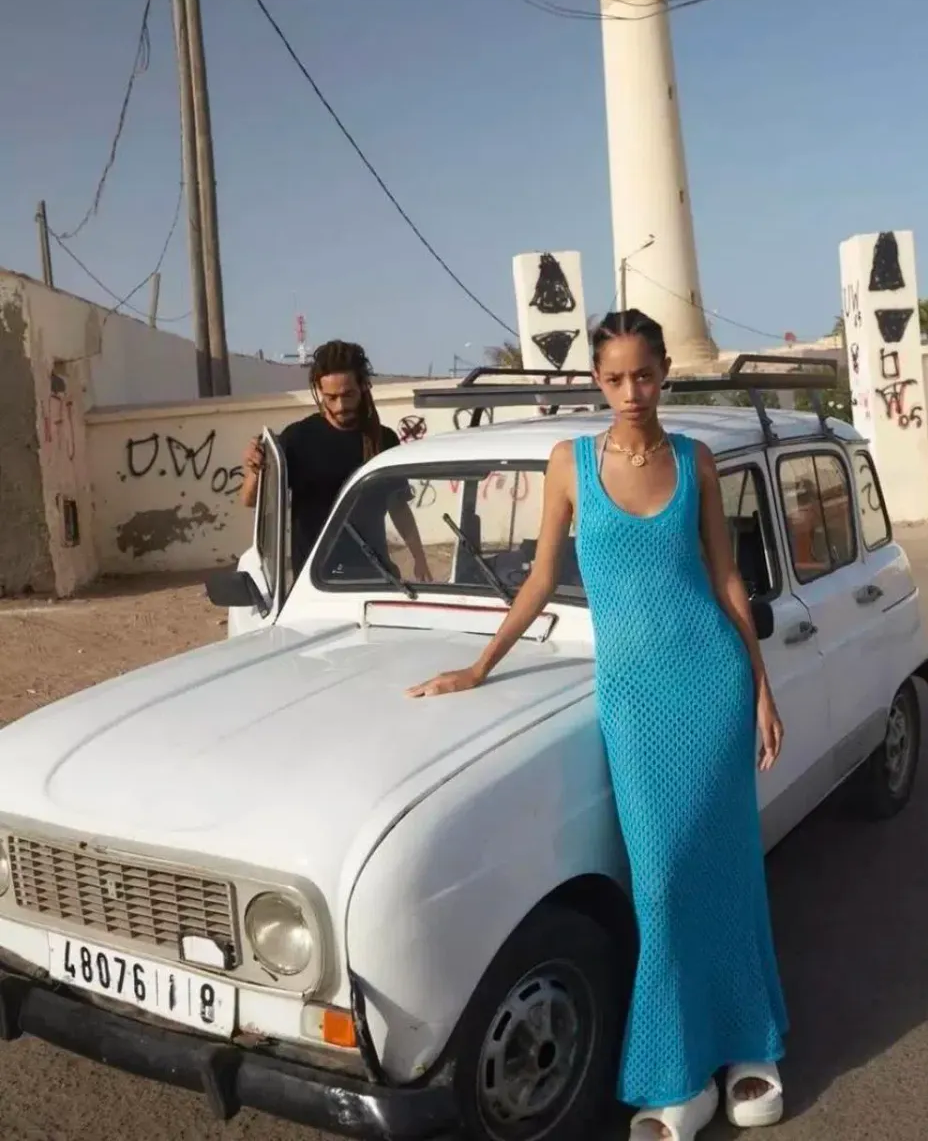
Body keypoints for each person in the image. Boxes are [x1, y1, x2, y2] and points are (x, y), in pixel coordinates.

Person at [407, 309, 789, 1139]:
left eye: (644, 375)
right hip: (636, 701)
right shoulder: (568, 464)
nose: (631, 392)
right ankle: (678, 1072)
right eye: (614, 378)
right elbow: (541, 578)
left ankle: (748, 1044)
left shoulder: (695, 461)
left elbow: (727, 580)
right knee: (661, 884)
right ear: (596, 381)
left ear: (665, 373)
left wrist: (761, 689)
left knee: (726, 869)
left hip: (713, 683)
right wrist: (478, 667)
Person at [241, 339, 432, 583]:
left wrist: (419, 558)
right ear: (319, 391)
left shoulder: (383, 440)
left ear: (363, 387)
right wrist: (255, 468)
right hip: (316, 583)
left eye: (348, 395)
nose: (341, 406)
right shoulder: (297, 439)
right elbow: (250, 500)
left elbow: (398, 506)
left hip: (374, 575)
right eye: (331, 397)